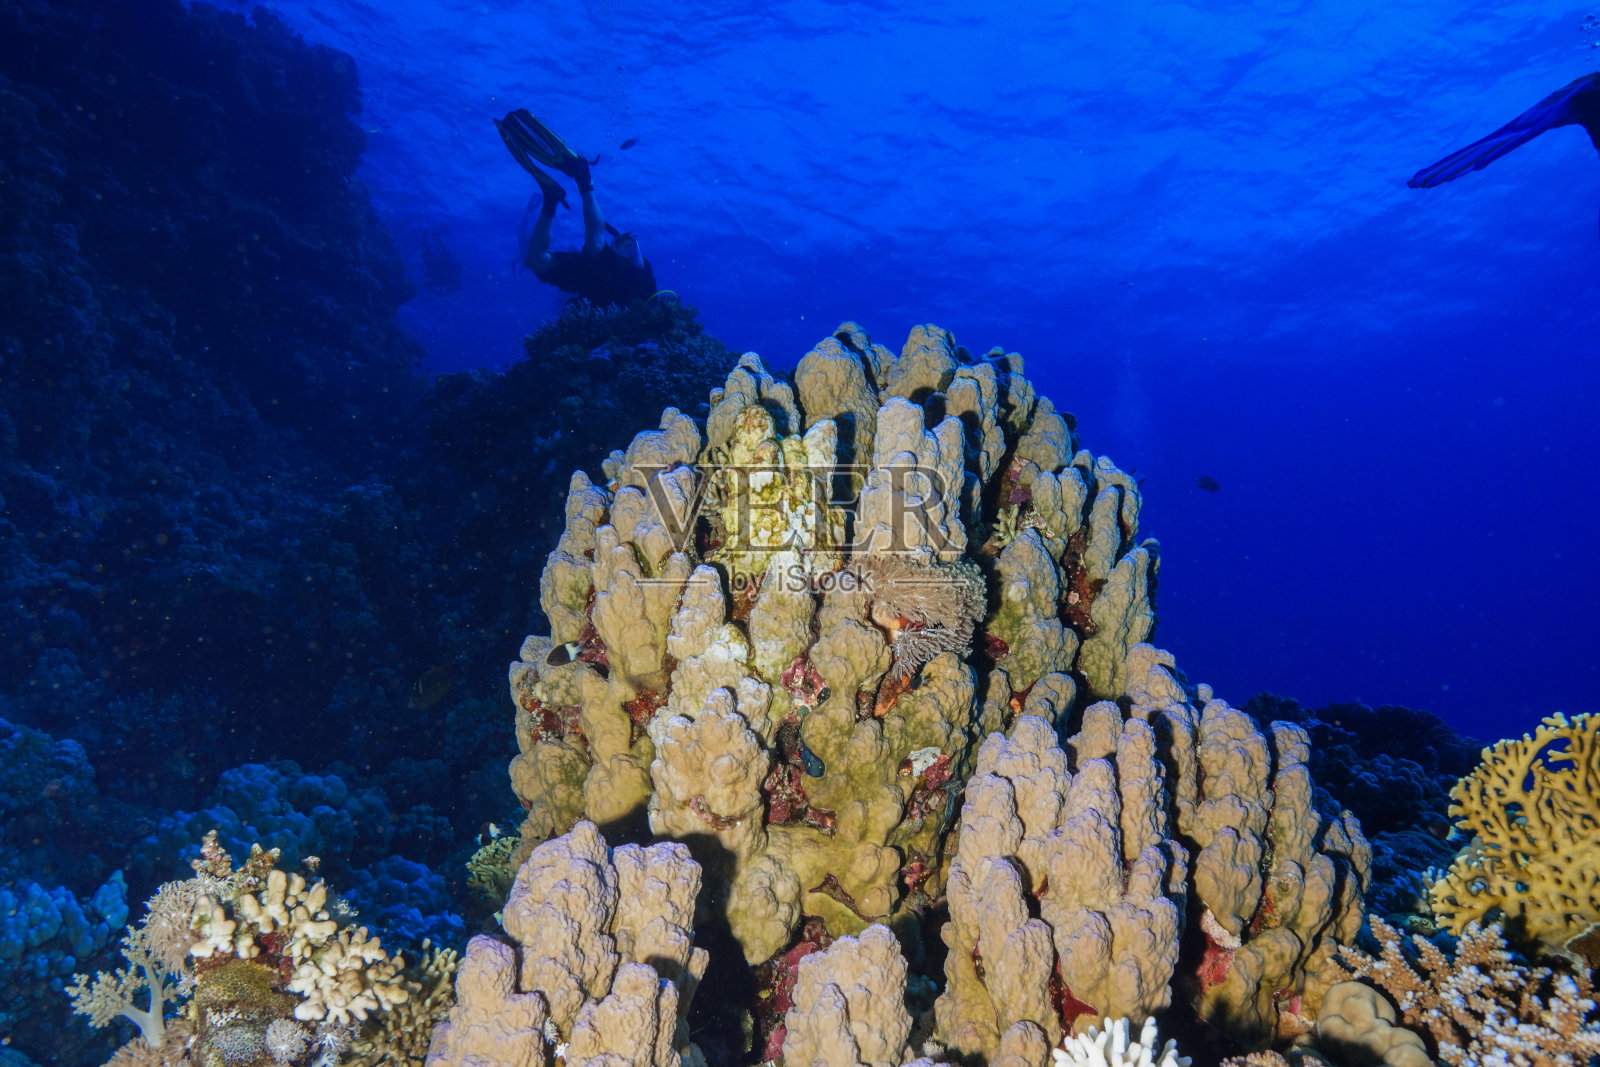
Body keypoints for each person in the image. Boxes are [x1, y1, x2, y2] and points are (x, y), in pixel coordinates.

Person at [496, 109, 657, 307]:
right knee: (595, 246)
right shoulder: (644, 292)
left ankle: (551, 197)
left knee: (535, 261)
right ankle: (584, 179)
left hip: (588, 281)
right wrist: (624, 252)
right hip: (615, 274)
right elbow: (629, 253)